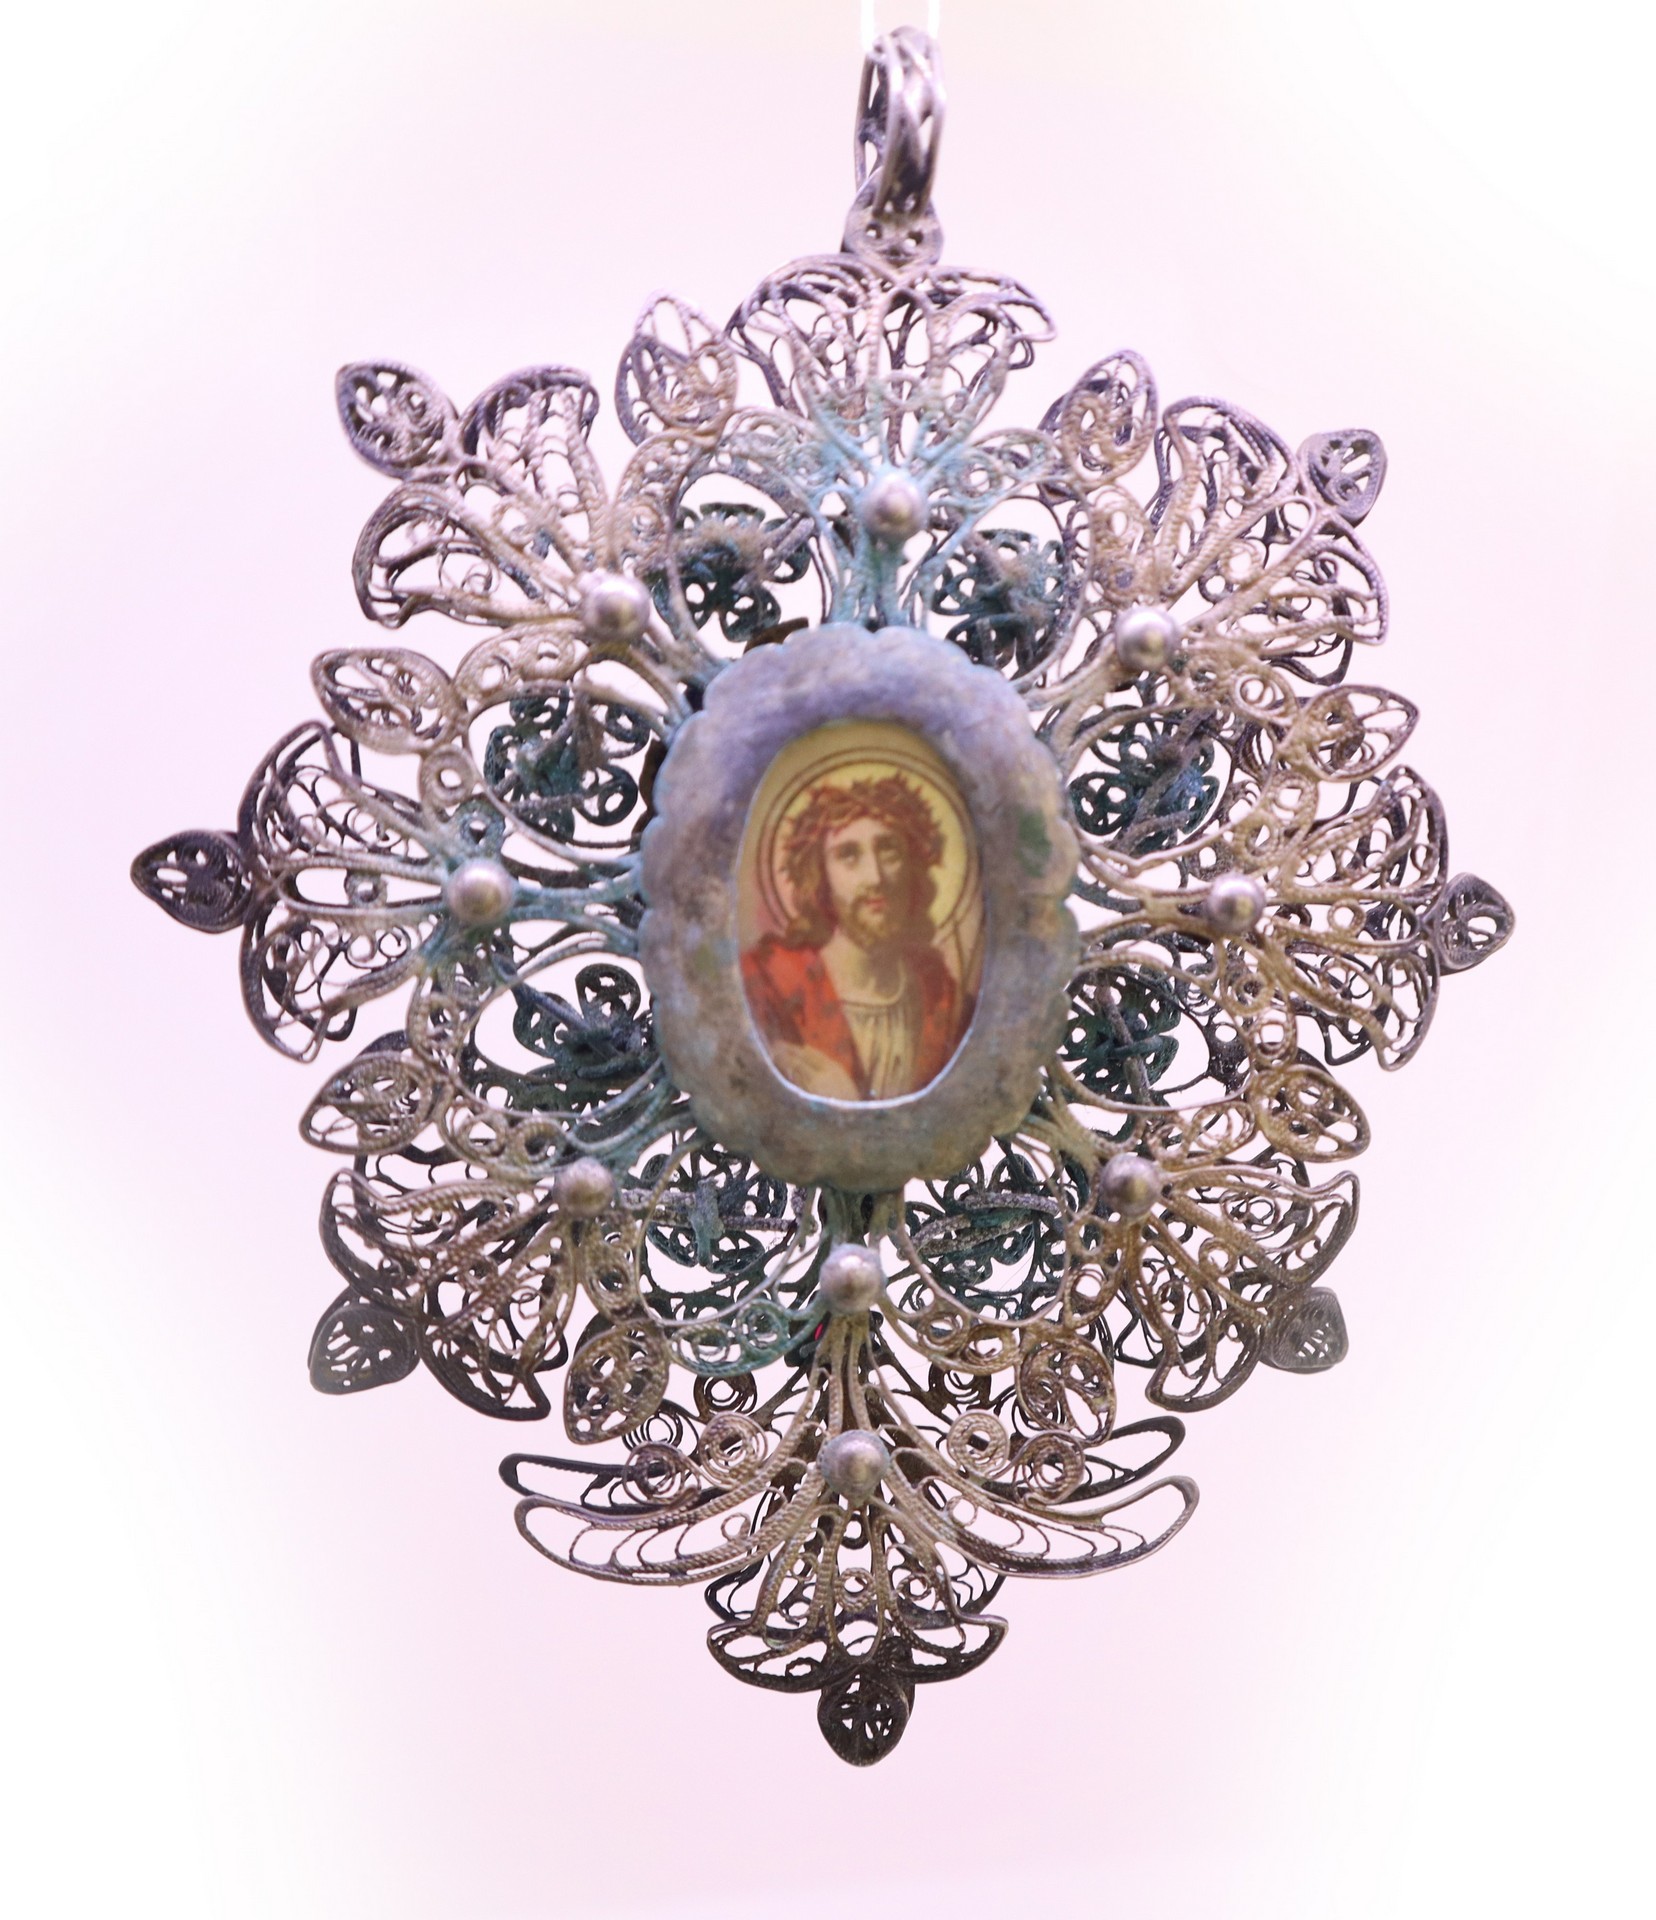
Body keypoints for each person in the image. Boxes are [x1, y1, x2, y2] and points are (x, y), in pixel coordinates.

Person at [741, 773, 969, 1100]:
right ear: (821, 877)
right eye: (848, 855)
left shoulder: (942, 996)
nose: (875, 878)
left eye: (888, 850)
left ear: (913, 866)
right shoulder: (771, 983)